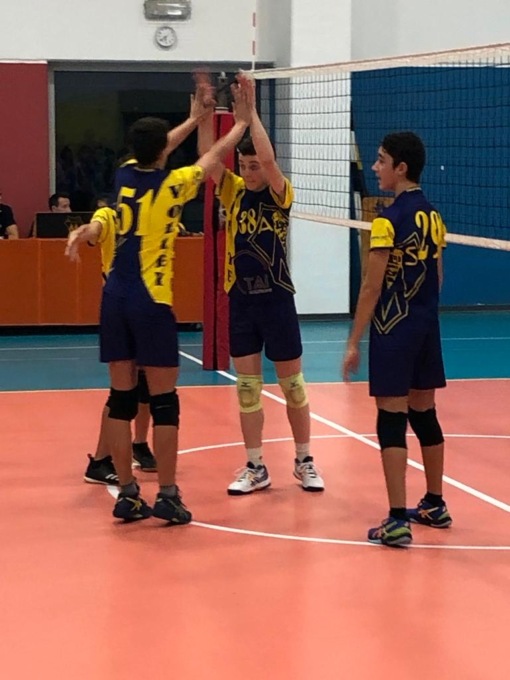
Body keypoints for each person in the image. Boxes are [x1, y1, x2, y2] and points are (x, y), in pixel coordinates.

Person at [66, 77, 252, 523]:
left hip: (115, 297)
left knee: (121, 397)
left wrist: (193, 118)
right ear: (161, 152)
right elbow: (211, 158)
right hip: (151, 301)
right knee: (164, 400)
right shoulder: (173, 184)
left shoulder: (123, 175)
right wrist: (240, 123)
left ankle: (128, 494)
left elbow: (158, 148)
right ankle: (167, 493)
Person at [198, 73, 324, 496]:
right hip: (241, 300)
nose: (250, 172)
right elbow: (207, 160)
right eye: (245, 166)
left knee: (293, 385)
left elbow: (269, 161)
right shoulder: (233, 191)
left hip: (277, 299)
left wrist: (250, 116)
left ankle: (305, 460)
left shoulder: (279, 193)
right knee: (248, 388)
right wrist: (205, 117)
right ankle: (255, 466)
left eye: (254, 167)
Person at [343, 131, 452, 547]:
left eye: (381, 160)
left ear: (400, 168)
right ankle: (435, 503)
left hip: (393, 327)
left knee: (391, 417)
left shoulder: (387, 220)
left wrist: (354, 341)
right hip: (426, 326)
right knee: (424, 413)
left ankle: (395, 520)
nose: (375, 167)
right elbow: (437, 276)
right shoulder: (434, 217)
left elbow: (371, 287)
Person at [76, 197, 157, 485]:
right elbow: (95, 228)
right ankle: (100, 460)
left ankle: (139, 444)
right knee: (123, 393)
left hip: (148, 306)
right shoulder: (110, 215)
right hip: (121, 311)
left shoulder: (152, 214)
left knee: (146, 386)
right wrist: (84, 232)